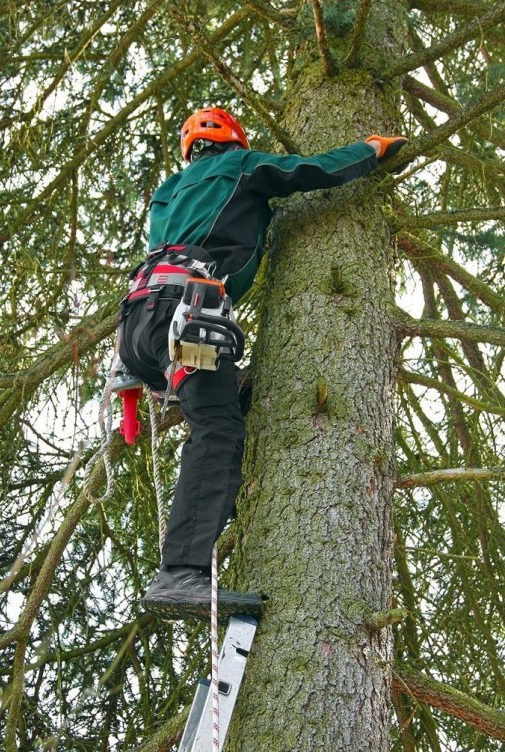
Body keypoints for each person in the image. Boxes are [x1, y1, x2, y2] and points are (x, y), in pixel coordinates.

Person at [118, 107, 407, 618]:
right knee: (217, 428)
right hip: (185, 306)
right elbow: (308, 171)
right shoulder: (239, 166)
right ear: (232, 138)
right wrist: (369, 151)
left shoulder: (169, 192)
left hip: (141, 320)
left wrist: (135, 385)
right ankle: (180, 573)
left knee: (226, 415)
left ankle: (189, 561)